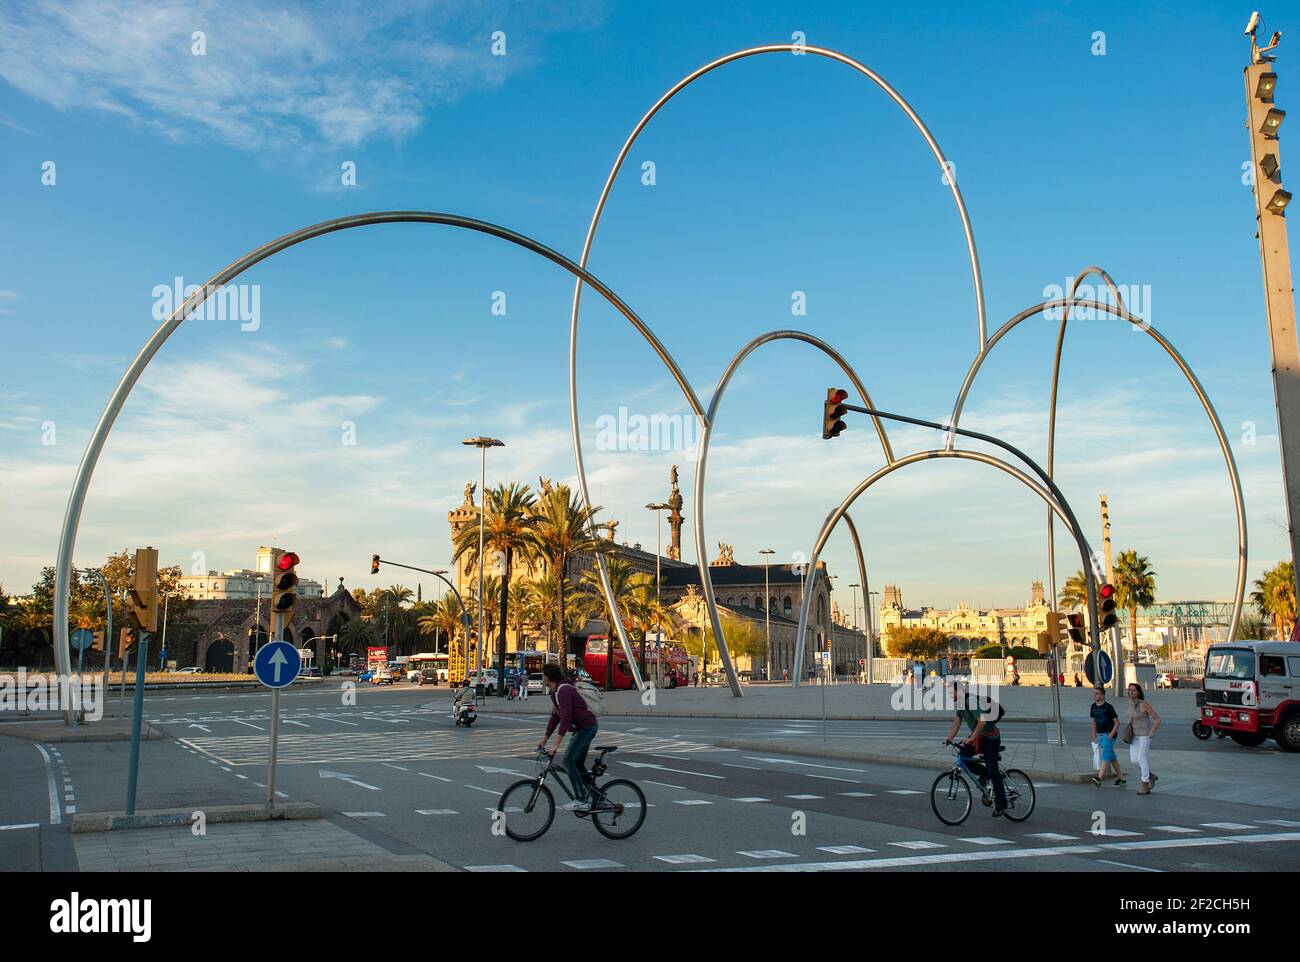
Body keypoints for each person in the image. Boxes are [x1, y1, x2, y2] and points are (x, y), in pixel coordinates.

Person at [538, 662, 599, 813]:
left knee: (568, 761)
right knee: (577, 764)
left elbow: (565, 719)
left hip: (587, 727)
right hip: (582, 728)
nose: (542, 679)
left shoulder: (563, 690)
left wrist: (555, 746)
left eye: (543, 676)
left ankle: (581, 800)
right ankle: (598, 796)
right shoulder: (556, 692)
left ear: (549, 677)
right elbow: (555, 718)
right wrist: (544, 739)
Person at [944, 682, 1007, 817]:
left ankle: (1002, 804)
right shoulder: (960, 704)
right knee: (963, 756)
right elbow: (957, 722)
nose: (950, 695)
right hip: (979, 737)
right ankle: (984, 774)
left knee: (992, 770)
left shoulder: (970, 701)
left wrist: (971, 738)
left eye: (951, 692)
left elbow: (982, 721)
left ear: (959, 691)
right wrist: (949, 738)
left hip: (990, 737)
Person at [1126, 683, 1162, 795]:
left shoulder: (1143, 705)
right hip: (1134, 736)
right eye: (1129, 690)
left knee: (1142, 757)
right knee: (1134, 760)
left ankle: (1145, 784)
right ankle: (1150, 775)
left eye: (1133, 690)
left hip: (1144, 736)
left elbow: (1158, 719)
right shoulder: (1130, 704)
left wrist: (1152, 732)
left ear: (1138, 692)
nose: (1131, 692)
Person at [1089, 686, 1123, 786]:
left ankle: (1099, 778)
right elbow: (1094, 721)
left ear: (1103, 695)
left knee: (1105, 756)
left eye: (1097, 693)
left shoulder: (1108, 707)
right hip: (1100, 735)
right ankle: (1121, 778)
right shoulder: (1093, 707)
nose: (1095, 696)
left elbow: (1117, 722)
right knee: (1112, 757)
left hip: (1109, 735)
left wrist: (1111, 735)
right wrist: (1094, 735)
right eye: (1094, 693)